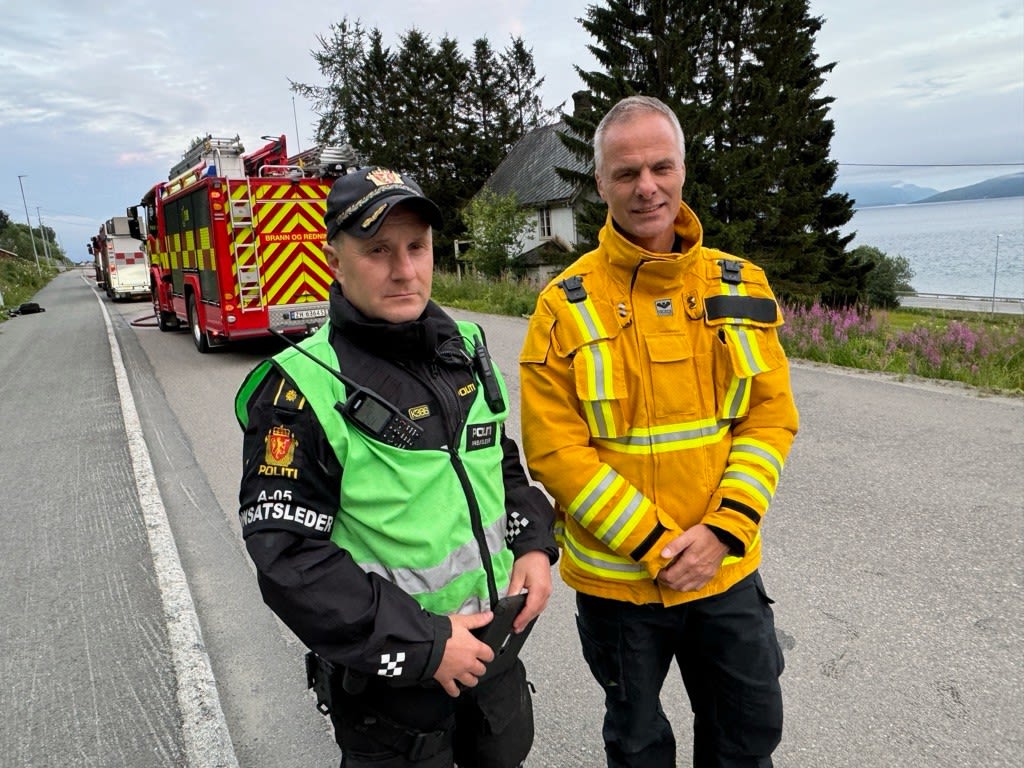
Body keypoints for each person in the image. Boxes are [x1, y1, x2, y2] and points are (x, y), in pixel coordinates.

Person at [235, 166, 556, 768]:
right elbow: (290, 560)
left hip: (494, 655)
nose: (405, 270)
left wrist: (535, 544)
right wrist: (427, 644)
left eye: (416, 246)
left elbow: (497, 462)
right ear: (336, 262)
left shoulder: (465, 347)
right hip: (396, 689)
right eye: (378, 250)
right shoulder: (300, 388)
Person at [519, 95, 799, 768]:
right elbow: (556, 451)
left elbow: (769, 418)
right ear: (601, 183)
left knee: (747, 737)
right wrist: (657, 545)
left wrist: (724, 530)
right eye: (626, 172)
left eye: (660, 167)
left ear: (682, 170)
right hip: (620, 590)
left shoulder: (742, 286)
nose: (646, 186)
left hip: (724, 571)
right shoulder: (562, 306)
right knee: (638, 745)